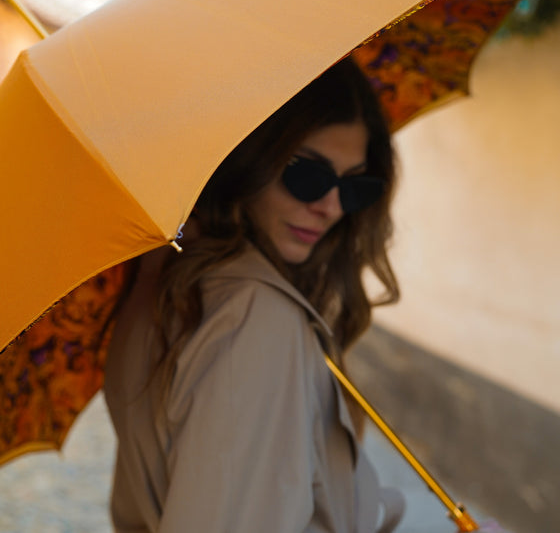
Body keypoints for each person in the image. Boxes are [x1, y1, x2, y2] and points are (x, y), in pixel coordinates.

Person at [103, 55, 403, 532]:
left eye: (355, 186)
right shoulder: (255, 317)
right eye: (309, 176)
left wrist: (374, 507)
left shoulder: (163, 276)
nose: (330, 207)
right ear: (249, 157)